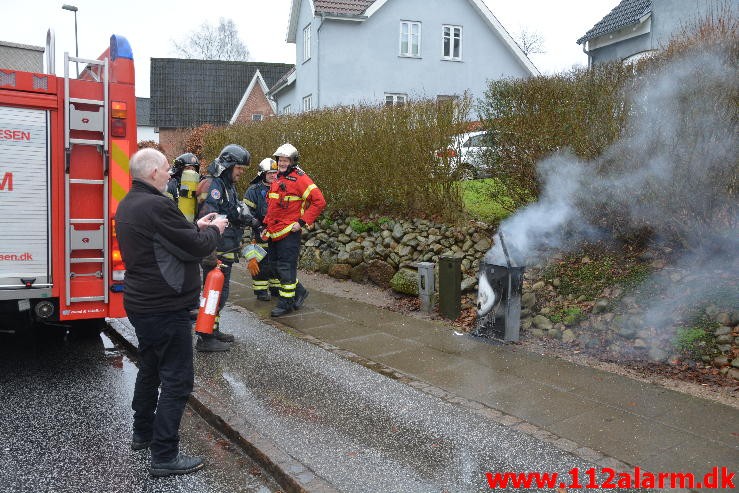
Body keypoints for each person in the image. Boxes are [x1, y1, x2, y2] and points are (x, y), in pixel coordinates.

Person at [114, 148, 228, 477]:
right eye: (166, 169)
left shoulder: (129, 204)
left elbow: (169, 237)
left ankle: (143, 433)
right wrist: (215, 228)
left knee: (150, 368)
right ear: (152, 173)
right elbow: (195, 247)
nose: (170, 174)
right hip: (166, 307)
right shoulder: (158, 204)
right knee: (177, 381)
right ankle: (164, 455)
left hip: (142, 304)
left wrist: (195, 224)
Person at [196, 144, 254, 351]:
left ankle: (213, 329)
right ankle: (205, 337)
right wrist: (210, 253)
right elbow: (209, 219)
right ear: (228, 165)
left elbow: (231, 210)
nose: (241, 173)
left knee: (220, 294)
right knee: (213, 293)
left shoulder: (226, 184)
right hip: (217, 251)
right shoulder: (214, 186)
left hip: (225, 248)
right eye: (239, 168)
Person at [262, 143, 326, 317]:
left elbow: (319, 201)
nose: (282, 163)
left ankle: (286, 303)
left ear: (292, 161)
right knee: (274, 266)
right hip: (274, 230)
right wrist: (266, 227)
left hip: (289, 231)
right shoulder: (277, 178)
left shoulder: (301, 179)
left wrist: (303, 222)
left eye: (285, 160)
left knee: (285, 267)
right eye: (280, 160)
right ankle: (300, 292)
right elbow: (273, 207)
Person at [243, 158, 280, 301]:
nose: (272, 175)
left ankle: (276, 289)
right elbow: (246, 212)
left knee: (276, 262)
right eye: (269, 172)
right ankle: (261, 292)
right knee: (261, 262)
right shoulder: (254, 190)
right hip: (261, 231)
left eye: (275, 172)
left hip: (278, 231)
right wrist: (256, 224)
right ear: (262, 174)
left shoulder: (281, 187)